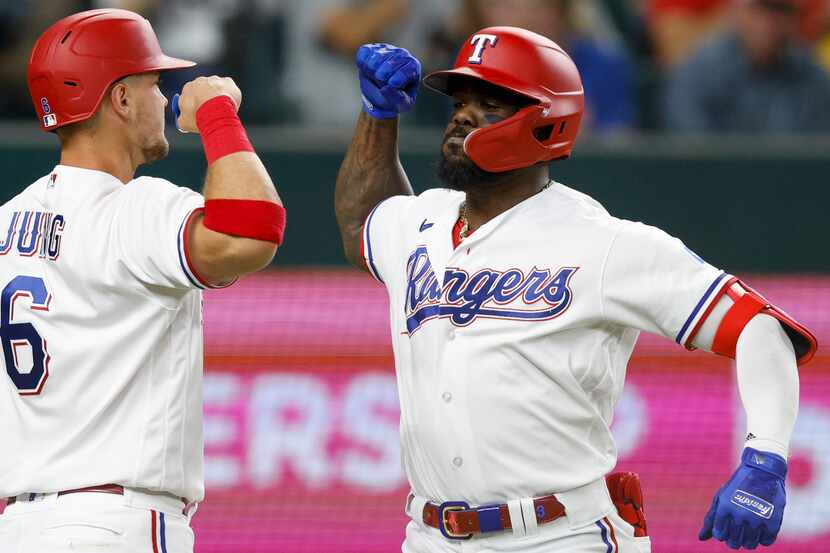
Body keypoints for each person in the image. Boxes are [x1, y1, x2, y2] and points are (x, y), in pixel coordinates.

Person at [334, 27, 817, 552]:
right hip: (429, 536)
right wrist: (377, 117)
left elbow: (758, 325)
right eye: (460, 100)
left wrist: (765, 458)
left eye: (489, 103)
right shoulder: (420, 220)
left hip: (558, 535)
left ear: (545, 121)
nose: (463, 115)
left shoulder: (603, 244)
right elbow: (364, 218)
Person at [0, 8, 285, 553]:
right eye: (155, 84)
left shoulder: (8, 219)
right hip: (114, 523)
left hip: (20, 525)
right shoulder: (134, 209)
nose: (164, 97)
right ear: (121, 99)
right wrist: (218, 115)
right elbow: (252, 231)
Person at [664, 0, 830, 133]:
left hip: (793, 175)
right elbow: (692, 153)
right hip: (719, 174)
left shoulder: (812, 76)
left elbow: (817, 154)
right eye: (762, 8)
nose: (771, 22)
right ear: (737, 12)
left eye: (783, 10)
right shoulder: (700, 73)